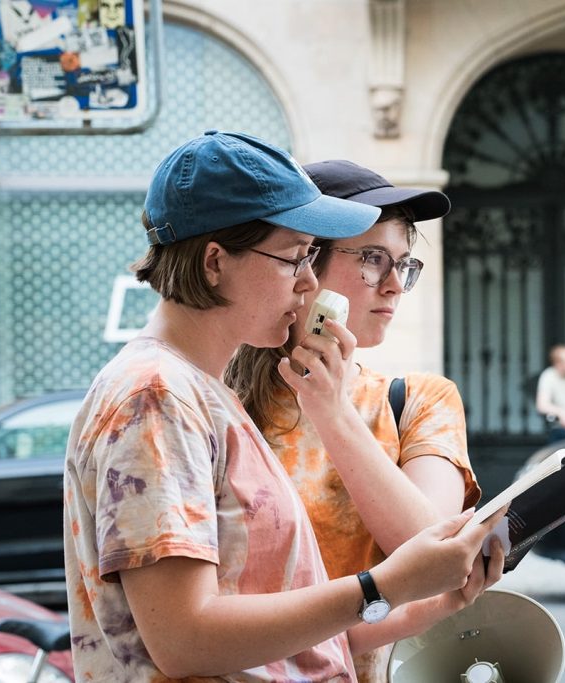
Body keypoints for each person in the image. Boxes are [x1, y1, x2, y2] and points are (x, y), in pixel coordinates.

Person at [63, 132, 505, 682]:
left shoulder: (197, 389)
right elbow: (184, 639)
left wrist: (422, 599)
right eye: (295, 258)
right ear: (215, 263)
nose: (308, 281)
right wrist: (382, 586)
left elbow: (268, 626)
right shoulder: (158, 394)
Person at [227, 159, 497, 683]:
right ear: (303, 265)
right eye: (374, 259)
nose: (395, 285)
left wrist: (332, 412)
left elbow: (431, 551)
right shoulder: (219, 403)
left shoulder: (417, 400)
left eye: (405, 264)